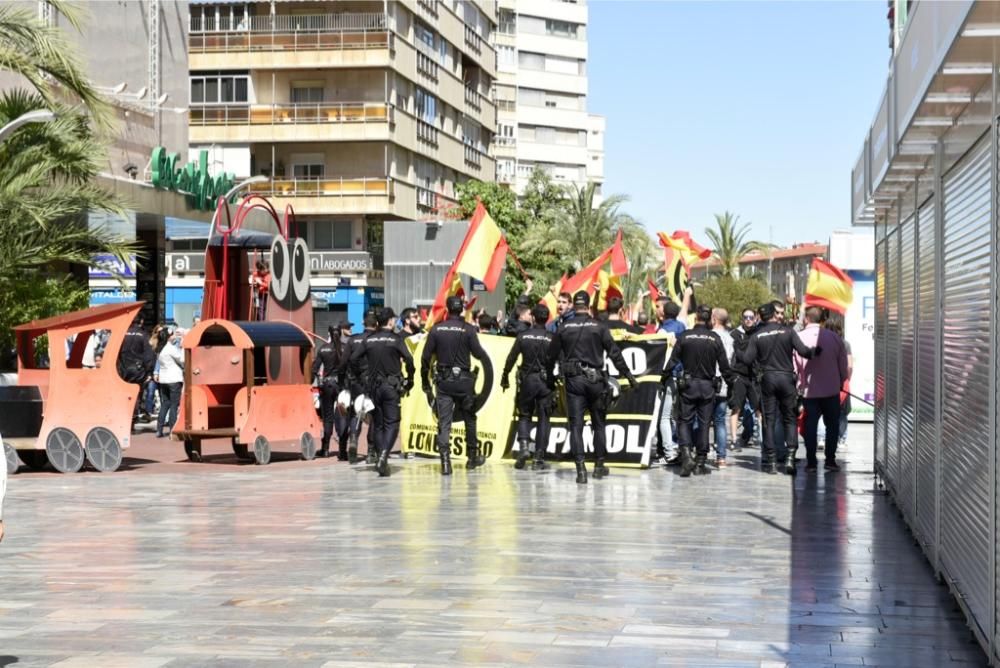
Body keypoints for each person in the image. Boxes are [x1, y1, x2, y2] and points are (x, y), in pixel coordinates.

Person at [549, 291, 638, 484]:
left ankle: (581, 470)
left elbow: (551, 356)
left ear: (574, 306)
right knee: (599, 425)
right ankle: (599, 466)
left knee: (576, 427)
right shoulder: (599, 326)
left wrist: (549, 379)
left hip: (574, 382)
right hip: (596, 381)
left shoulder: (563, 327)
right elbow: (615, 353)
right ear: (589, 306)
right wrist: (629, 376)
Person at [741, 302, 818, 475]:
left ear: (762, 316)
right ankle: (790, 457)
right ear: (774, 315)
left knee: (769, 420)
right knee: (789, 418)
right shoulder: (788, 332)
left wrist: (737, 353)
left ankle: (772, 461)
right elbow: (804, 352)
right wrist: (817, 351)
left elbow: (746, 359)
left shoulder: (757, 335)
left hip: (767, 379)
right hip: (786, 378)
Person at [421, 296, 493, 475]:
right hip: (464, 382)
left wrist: (425, 381)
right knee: (469, 418)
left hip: (444, 382)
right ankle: (472, 456)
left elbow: (425, 357)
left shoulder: (436, 330)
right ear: (461, 309)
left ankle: (445, 462)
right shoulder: (468, 330)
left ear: (447, 309)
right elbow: (479, 354)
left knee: (444, 422)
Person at [663, 305, 734, 477]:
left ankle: (686, 454)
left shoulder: (685, 336)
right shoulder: (714, 338)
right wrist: (731, 385)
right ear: (710, 319)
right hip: (708, 386)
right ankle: (700, 461)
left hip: (688, 386)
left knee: (684, 421)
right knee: (704, 423)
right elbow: (725, 366)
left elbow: (672, 361)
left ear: (695, 319)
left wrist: (662, 378)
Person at [352, 308, 415, 477]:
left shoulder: (369, 340)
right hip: (390, 386)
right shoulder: (396, 340)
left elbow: (353, 359)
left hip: (373, 388)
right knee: (392, 423)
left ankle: (381, 457)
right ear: (391, 321)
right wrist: (411, 377)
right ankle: (383, 456)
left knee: (378, 424)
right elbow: (409, 359)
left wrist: (361, 378)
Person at [501, 304, 554, 471]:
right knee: (544, 418)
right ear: (547, 318)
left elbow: (511, 358)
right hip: (545, 381)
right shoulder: (552, 338)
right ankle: (539, 457)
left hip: (527, 380)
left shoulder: (523, 336)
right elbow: (560, 360)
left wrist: (505, 376)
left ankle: (524, 447)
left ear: (533, 317)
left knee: (524, 415)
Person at [795, 306, 848, 472]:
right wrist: (840, 381)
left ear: (806, 319)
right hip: (831, 390)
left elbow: (794, 366)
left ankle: (811, 461)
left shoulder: (798, 338)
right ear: (821, 320)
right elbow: (843, 367)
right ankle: (830, 460)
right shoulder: (834, 338)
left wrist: (798, 384)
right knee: (832, 426)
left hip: (809, 392)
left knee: (810, 425)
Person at [338, 312, 379, 463]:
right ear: (377, 324)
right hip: (374, 380)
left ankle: (354, 438)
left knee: (356, 413)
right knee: (373, 415)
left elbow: (343, 363)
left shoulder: (353, 340)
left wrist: (343, 382)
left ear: (363, 323)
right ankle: (370, 452)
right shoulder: (377, 339)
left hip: (355, 382)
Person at [312, 324, 347, 459]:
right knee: (343, 415)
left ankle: (325, 449)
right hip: (342, 385)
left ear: (329, 334)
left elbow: (314, 369)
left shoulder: (323, 349)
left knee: (328, 417)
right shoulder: (345, 348)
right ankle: (342, 451)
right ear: (340, 333)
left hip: (327, 385)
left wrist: (317, 378)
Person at [729, 308, 761, 451]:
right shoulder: (734, 334)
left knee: (760, 408)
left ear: (755, 319)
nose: (748, 319)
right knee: (736, 407)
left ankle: (762, 438)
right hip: (739, 375)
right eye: (746, 317)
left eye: (751, 317)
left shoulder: (758, 334)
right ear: (742, 319)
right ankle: (734, 440)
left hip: (754, 377)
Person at [118, 317, 156, 426]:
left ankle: (125, 417)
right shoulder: (143, 335)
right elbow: (149, 355)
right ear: (141, 321)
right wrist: (149, 372)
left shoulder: (122, 334)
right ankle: (132, 419)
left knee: (125, 394)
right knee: (136, 395)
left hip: (123, 369)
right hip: (138, 371)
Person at [823, 313, 853, 444]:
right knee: (841, 411)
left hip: (825, 382)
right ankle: (842, 438)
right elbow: (849, 366)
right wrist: (846, 379)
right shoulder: (845, 344)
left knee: (824, 410)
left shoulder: (822, 343)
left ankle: (822, 438)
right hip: (841, 382)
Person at [710, 308, 734, 467]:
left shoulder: (710, 337)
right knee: (720, 421)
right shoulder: (730, 338)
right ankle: (722, 457)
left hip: (710, 382)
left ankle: (701, 452)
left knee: (703, 420)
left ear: (714, 319)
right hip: (725, 384)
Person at [155, 327, 184, 438]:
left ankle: (159, 428)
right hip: (174, 379)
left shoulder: (159, 348)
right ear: (168, 337)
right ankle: (173, 429)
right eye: (172, 334)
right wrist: (182, 348)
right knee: (174, 405)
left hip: (164, 379)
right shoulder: (170, 348)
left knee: (165, 404)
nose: (174, 336)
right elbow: (182, 359)